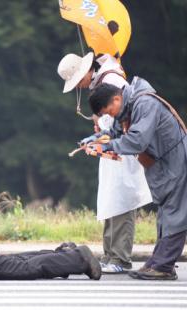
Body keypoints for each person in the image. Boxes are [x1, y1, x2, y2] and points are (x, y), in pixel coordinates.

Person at [57, 52, 152, 273]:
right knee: (111, 198)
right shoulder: (101, 81)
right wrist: (98, 134)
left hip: (123, 148)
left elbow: (123, 117)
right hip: (112, 146)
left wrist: (104, 131)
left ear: (85, 72)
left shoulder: (111, 80)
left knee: (122, 200)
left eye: (77, 81)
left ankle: (120, 258)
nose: (78, 87)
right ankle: (110, 255)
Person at [87, 78, 187, 280]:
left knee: (175, 215)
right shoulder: (128, 108)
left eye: (108, 112)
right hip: (164, 165)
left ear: (117, 98)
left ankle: (163, 266)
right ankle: (158, 263)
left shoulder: (145, 104)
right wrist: (96, 139)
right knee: (168, 214)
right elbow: (115, 132)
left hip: (176, 162)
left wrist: (107, 146)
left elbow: (137, 139)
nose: (110, 116)